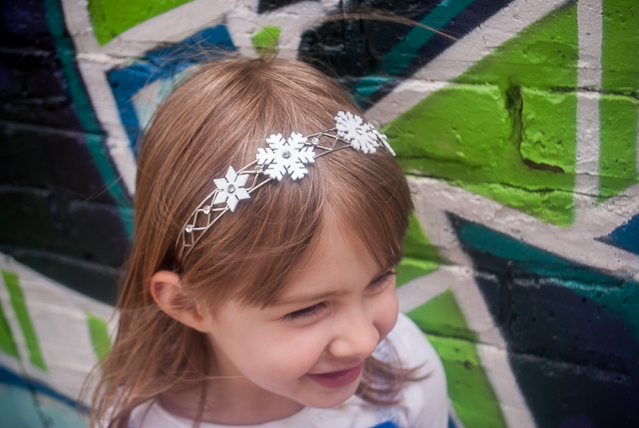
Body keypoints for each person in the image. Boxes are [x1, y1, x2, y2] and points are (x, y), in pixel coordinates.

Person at [89, 57, 448, 428]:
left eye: (380, 278)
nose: (364, 341)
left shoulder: (406, 369)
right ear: (188, 304)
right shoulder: (135, 421)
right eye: (305, 310)